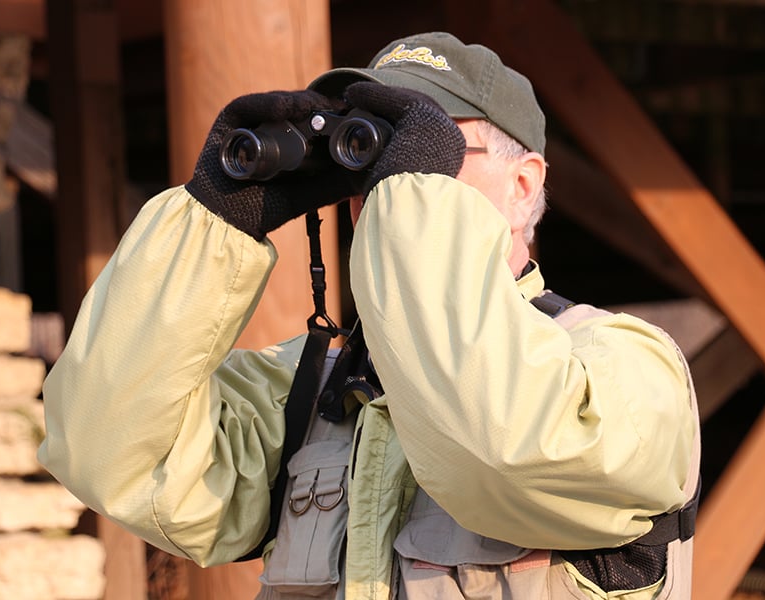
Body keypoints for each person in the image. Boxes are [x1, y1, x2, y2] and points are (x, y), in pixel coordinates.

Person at [38, 32, 701, 599]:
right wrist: (213, 217)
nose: (387, 187)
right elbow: (113, 452)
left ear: (523, 184)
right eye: (375, 157)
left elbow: (504, 448)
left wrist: (413, 209)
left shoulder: (625, 369)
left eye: (429, 154)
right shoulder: (314, 390)